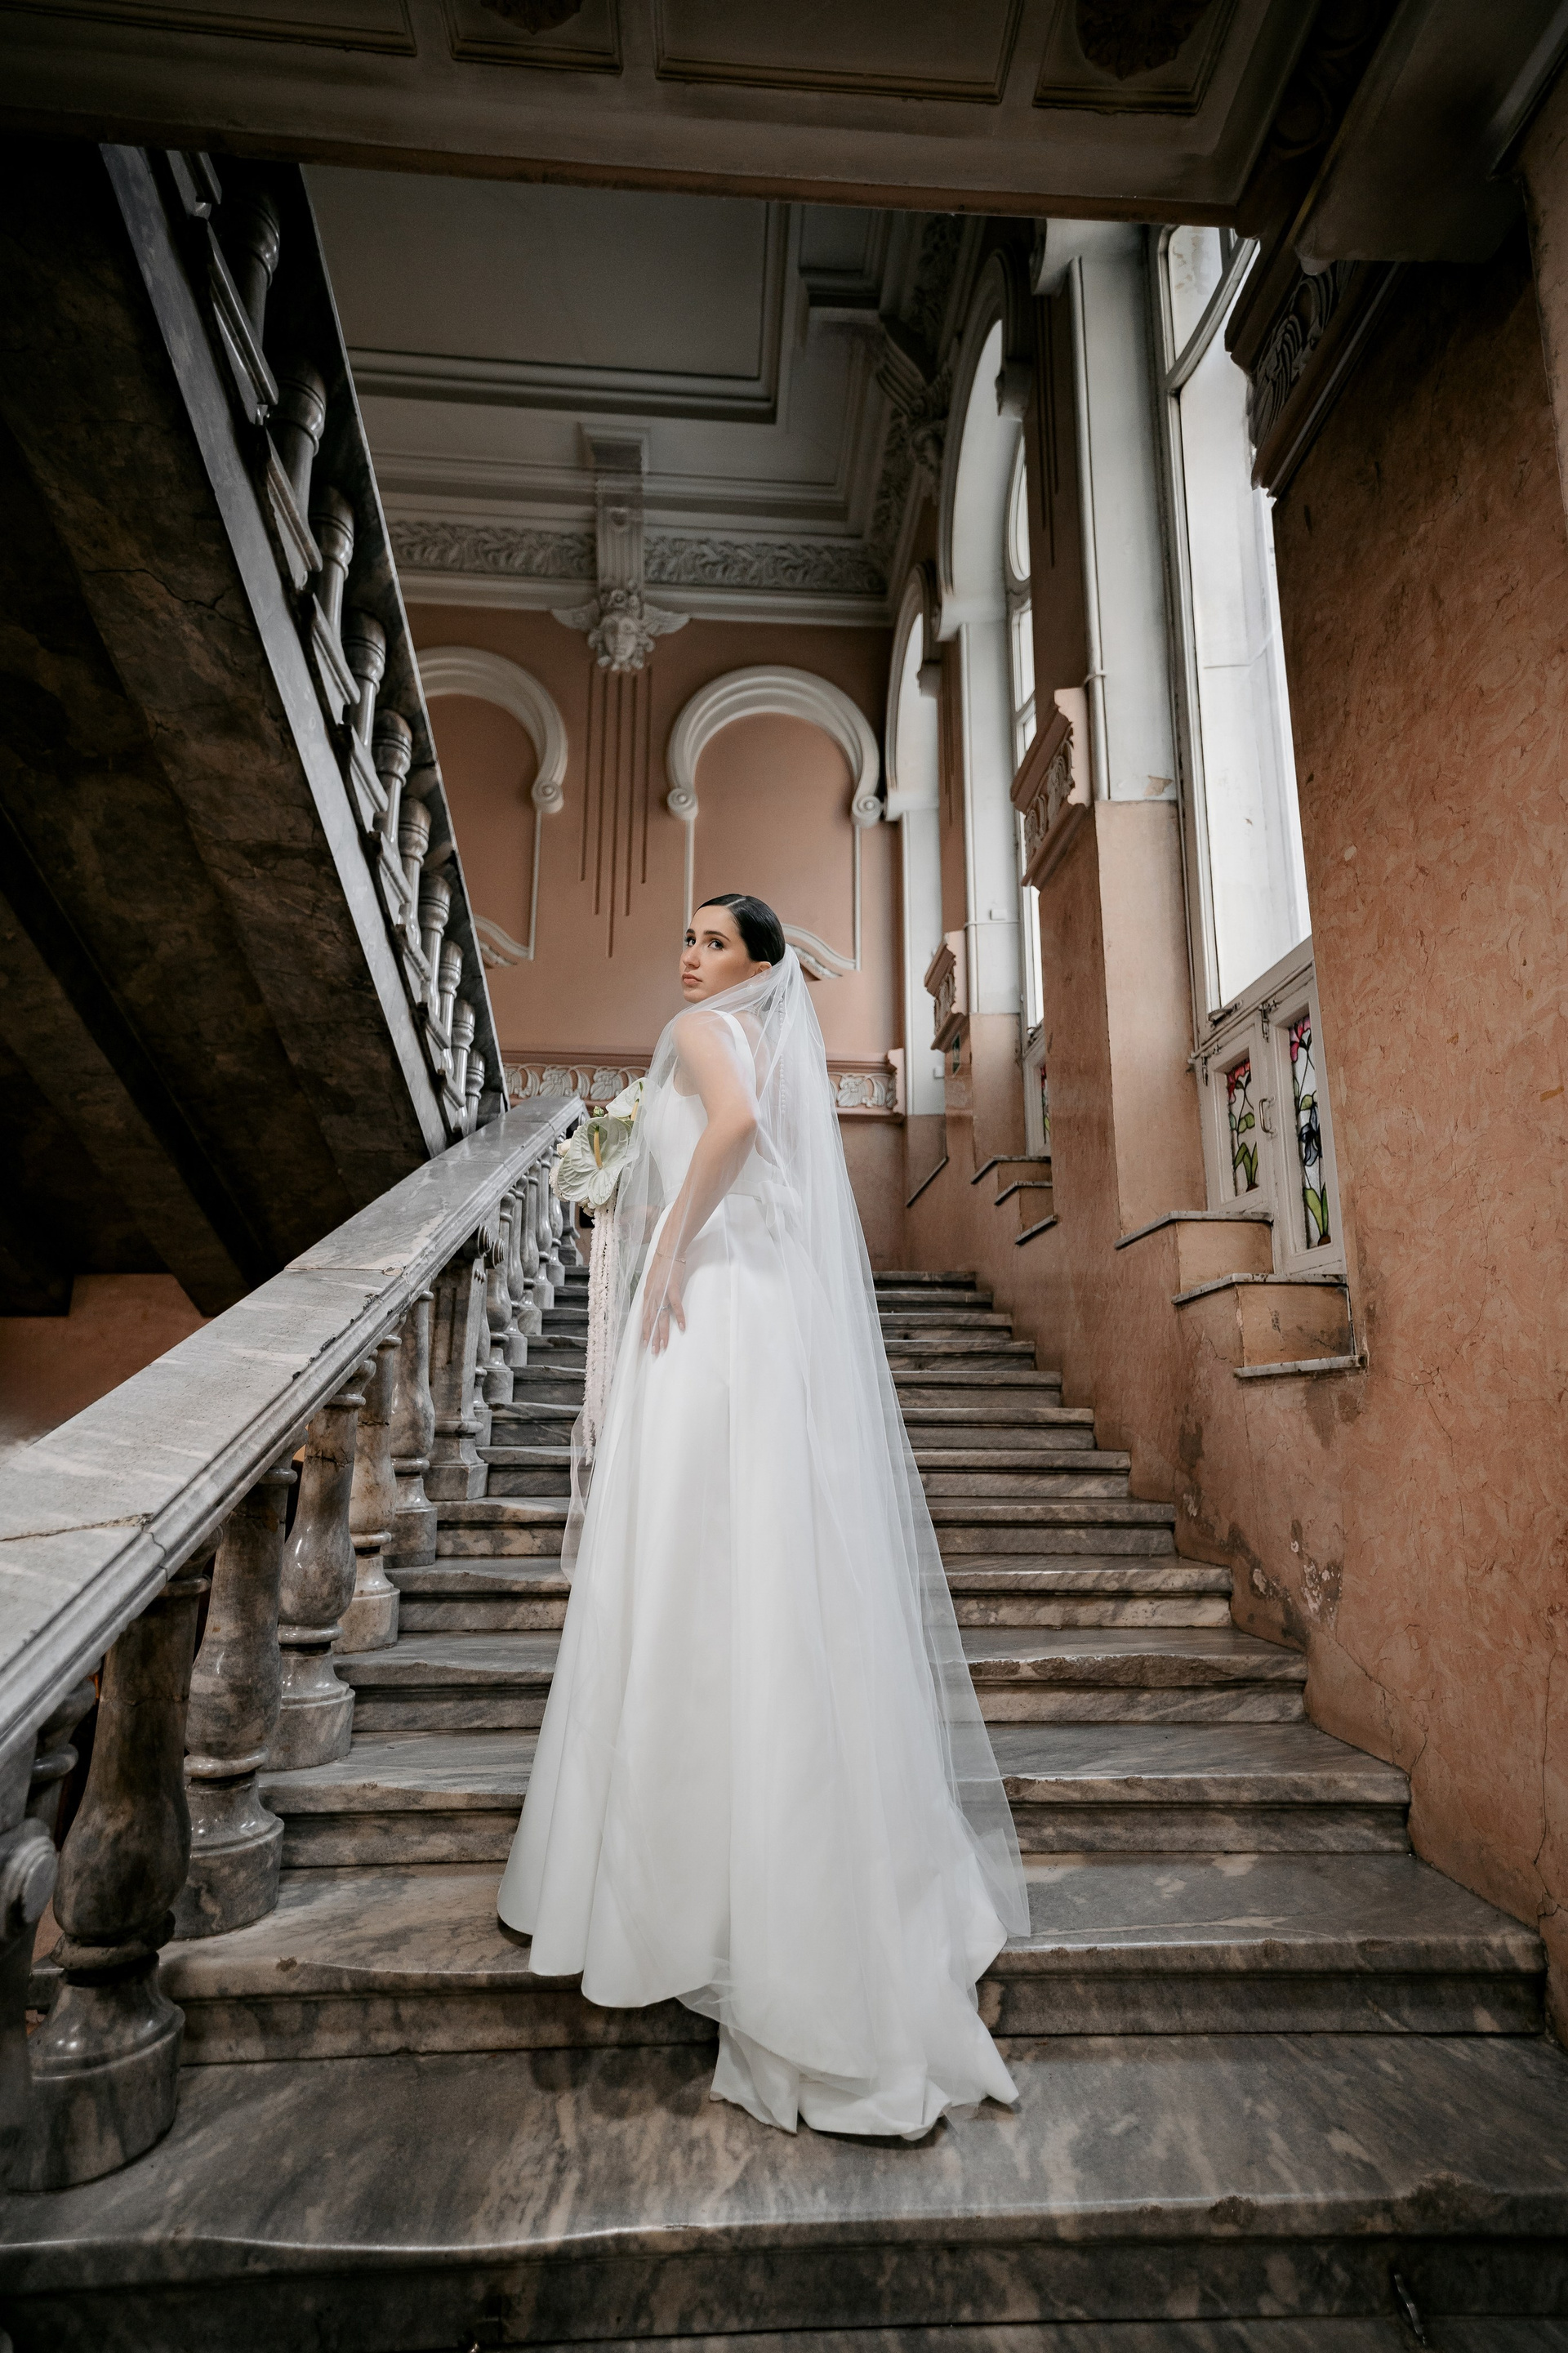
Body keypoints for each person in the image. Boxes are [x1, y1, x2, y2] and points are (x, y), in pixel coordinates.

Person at [497, 894, 1028, 2138]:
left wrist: (667, 1247)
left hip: (719, 1311)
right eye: (688, 939)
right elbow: (753, 1151)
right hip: (764, 1318)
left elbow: (729, 1132)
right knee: (765, 1571)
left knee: (692, 1566)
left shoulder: (704, 1037)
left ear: (756, 967)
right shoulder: (764, 1040)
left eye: (714, 943)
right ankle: (785, 1875)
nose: (690, 957)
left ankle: (680, 1885)